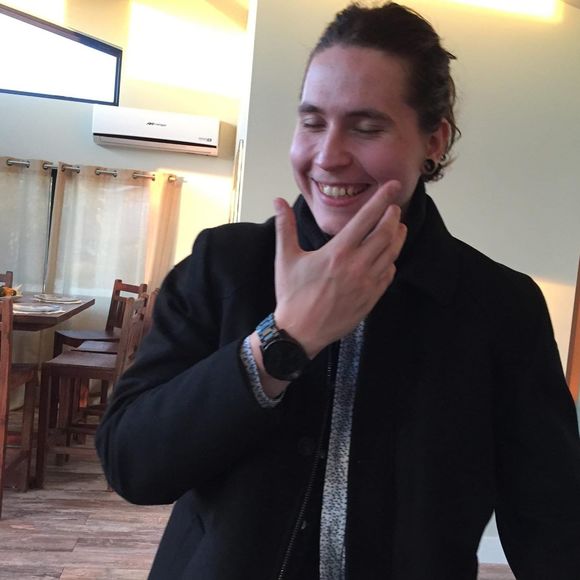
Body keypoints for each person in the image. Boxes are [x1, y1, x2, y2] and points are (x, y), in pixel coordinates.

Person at [95, 3, 580, 579]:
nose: (328, 156)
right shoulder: (222, 266)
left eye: (367, 127)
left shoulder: (500, 307)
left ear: (434, 139)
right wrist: (282, 342)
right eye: (312, 122)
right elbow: (133, 464)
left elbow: (551, 523)